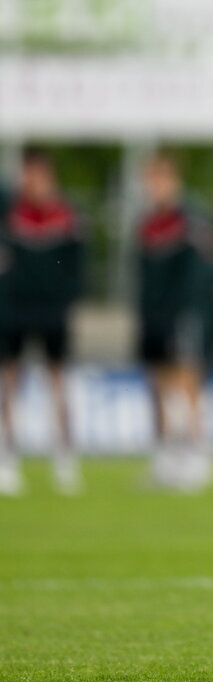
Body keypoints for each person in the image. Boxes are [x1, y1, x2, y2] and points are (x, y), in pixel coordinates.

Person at [0, 148, 85, 494]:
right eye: (26, 174)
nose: (30, 181)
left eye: (37, 174)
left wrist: (67, 304)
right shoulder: (9, 211)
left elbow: (76, 270)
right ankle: (7, 457)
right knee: (9, 383)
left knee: (58, 384)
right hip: (15, 310)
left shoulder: (66, 216)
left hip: (52, 312)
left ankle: (64, 458)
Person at [135, 153, 213, 491]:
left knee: (187, 383)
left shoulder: (191, 219)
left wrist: (193, 312)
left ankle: (197, 455)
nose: (156, 187)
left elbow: (205, 271)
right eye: (151, 180)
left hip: (184, 313)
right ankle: (166, 455)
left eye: (161, 179)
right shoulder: (146, 224)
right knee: (159, 385)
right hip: (153, 315)